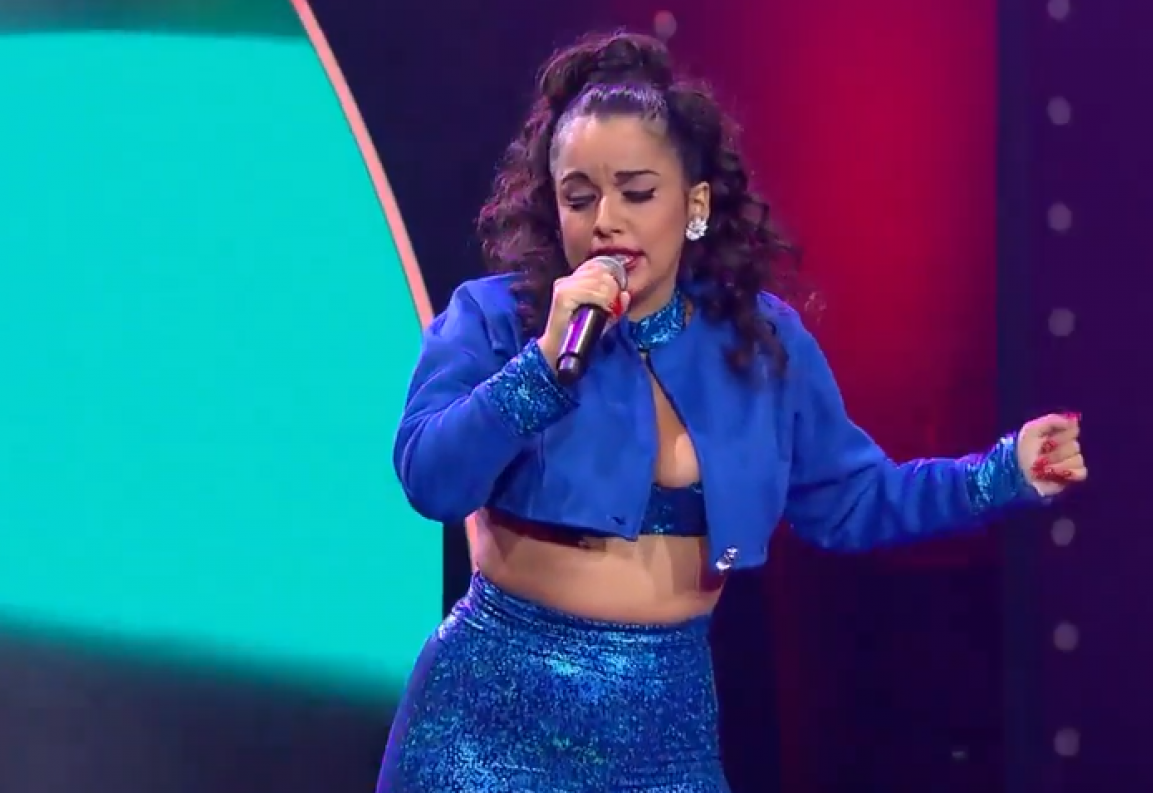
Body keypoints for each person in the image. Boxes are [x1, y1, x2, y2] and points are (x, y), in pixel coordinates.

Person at [376, 29, 1087, 793]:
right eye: (579, 198)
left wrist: (1000, 473)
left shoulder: (760, 339)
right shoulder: (498, 319)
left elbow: (851, 501)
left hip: (665, 730)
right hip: (489, 719)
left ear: (694, 205)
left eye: (636, 192)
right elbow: (431, 479)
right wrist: (541, 367)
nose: (606, 220)